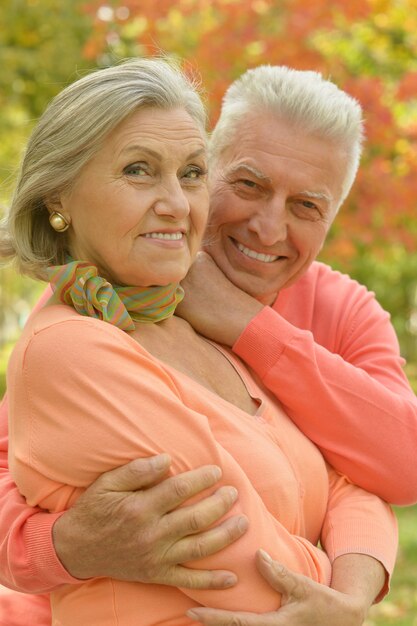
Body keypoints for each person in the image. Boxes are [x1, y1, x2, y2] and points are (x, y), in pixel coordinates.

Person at [0, 58, 397, 626]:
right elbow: (227, 536)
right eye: (248, 184)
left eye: (306, 205)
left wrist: (349, 600)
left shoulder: (313, 313)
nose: (267, 227)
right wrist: (65, 544)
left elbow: (373, 471)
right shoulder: (87, 322)